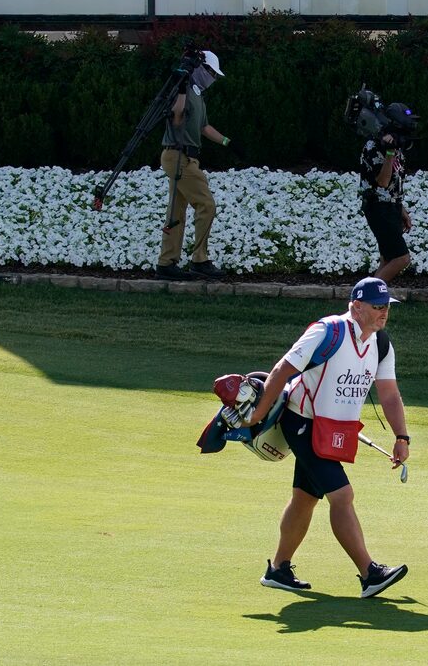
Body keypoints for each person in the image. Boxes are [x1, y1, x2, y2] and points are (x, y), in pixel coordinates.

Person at [247, 276, 412, 598]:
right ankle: (369, 573)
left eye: (387, 307)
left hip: (334, 430)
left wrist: (402, 437)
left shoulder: (380, 342)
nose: (384, 313)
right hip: (302, 422)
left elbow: (389, 394)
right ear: (356, 306)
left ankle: (278, 569)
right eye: (377, 307)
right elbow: (282, 370)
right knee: (342, 495)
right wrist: (257, 414)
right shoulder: (326, 331)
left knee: (305, 497)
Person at [155, 50, 231, 281]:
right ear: (199, 70)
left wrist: (228, 142)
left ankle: (166, 263)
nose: (212, 78)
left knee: (176, 211)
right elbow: (177, 118)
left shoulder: (197, 94)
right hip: (180, 158)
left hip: (184, 157)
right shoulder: (185, 91)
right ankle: (200, 259)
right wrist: (180, 89)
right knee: (206, 205)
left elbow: (203, 127)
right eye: (210, 72)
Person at [358, 104, 417, 282]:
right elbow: (383, 182)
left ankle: (369, 303)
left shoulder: (396, 146)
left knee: (388, 259)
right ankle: (366, 301)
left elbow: (394, 183)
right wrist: (390, 152)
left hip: (390, 208)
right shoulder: (374, 146)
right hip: (378, 208)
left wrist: (401, 209)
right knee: (401, 259)